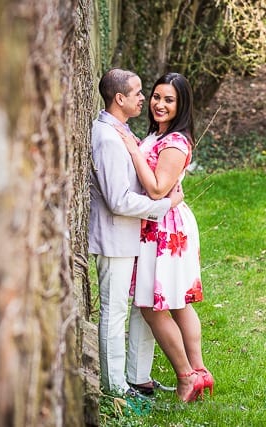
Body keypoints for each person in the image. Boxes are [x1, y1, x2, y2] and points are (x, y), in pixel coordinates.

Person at [116, 72, 214, 402]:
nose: (159, 104)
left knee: (154, 308)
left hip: (165, 228)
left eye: (168, 100)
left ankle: (188, 375)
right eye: (156, 97)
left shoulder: (175, 142)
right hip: (158, 225)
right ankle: (199, 373)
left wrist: (132, 150)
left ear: (181, 104)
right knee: (175, 302)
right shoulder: (160, 134)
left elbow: (157, 188)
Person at [89, 68, 183, 397]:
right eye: (139, 93)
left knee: (140, 310)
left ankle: (137, 378)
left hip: (136, 237)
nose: (144, 98)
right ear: (120, 99)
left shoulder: (122, 132)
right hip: (115, 237)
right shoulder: (108, 138)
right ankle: (116, 389)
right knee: (114, 313)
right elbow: (118, 201)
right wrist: (164, 206)